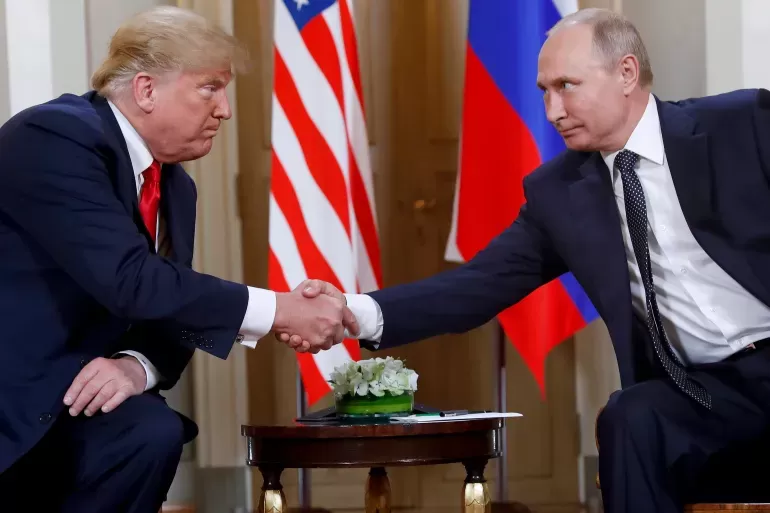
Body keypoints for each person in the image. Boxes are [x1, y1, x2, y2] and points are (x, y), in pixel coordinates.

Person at [277, 7, 770, 513]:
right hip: (702, 392)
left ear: (626, 73)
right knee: (631, 416)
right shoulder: (561, 193)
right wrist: (353, 312)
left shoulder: (743, 125)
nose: (553, 111)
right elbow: (476, 286)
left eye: (567, 86)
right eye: (544, 92)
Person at [0, 6, 356, 512]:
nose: (224, 110)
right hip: (14, 394)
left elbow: (171, 302)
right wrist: (279, 309)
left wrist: (137, 367)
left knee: (150, 431)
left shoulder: (175, 187)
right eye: (210, 88)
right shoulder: (56, 137)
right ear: (146, 90)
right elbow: (132, 281)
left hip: (76, 395)